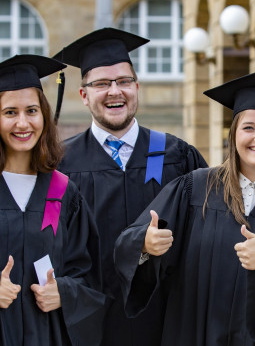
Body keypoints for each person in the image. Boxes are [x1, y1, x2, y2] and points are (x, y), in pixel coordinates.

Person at [114, 70, 255, 346]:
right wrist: (144, 244)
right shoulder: (196, 189)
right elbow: (128, 242)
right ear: (234, 134)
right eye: (249, 127)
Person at [54, 27, 208, 346]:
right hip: (89, 328)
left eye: (124, 81)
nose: (115, 91)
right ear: (84, 95)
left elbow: (208, 237)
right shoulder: (60, 166)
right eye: (102, 84)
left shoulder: (176, 156)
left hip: (165, 323)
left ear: (137, 87)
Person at [0, 54, 105, 346]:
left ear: (44, 116)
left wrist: (65, 292)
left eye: (31, 110)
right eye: (10, 112)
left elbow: (88, 274)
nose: (23, 123)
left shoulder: (61, 191)